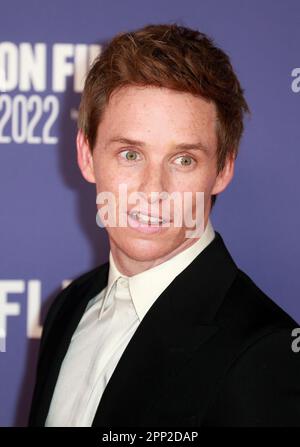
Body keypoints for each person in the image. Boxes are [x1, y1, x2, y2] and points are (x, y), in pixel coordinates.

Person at [29, 23, 300, 427]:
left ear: (223, 170)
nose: (152, 190)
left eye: (183, 160)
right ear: (87, 156)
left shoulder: (266, 353)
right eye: (130, 155)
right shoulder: (69, 307)